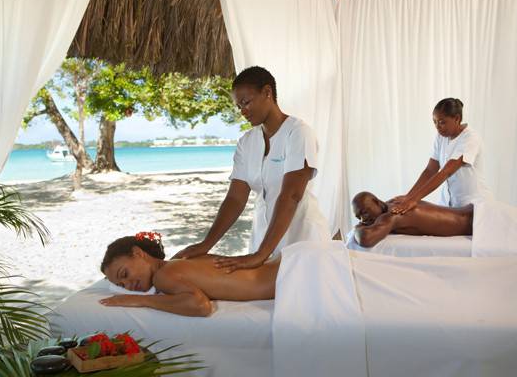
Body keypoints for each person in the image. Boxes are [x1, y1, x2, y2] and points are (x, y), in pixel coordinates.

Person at [172, 66, 329, 272]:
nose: (243, 111)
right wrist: (206, 244)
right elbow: (235, 199)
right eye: (238, 106)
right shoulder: (246, 142)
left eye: (246, 102)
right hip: (262, 240)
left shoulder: (298, 133)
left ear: (267, 92)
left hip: (302, 239)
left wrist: (260, 255)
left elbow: (291, 195)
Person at [99, 234, 280, 317]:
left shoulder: (163, 276)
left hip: (291, 275)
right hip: (287, 263)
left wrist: (140, 300)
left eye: (125, 274)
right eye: (122, 286)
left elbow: (200, 306)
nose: (129, 285)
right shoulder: (182, 261)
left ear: (138, 253)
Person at [391, 98, 489, 215]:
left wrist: (414, 199)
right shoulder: (441, 137)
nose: (437, 126)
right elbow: (430, 170)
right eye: (435, 122)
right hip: (448, 205)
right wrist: (409, 196)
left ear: (457, 118)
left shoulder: (470, 138)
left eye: (442, 122)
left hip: (473, 204)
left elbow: (446, 172)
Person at [352, 191, 473, 247]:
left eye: (365, 212)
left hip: (475, 222)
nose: (363, 220)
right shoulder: (394, 202)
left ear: (377, 202)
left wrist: (357, 227)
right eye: (359, 218)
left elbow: (365, 239)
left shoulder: (393, 214)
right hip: (471, 212)